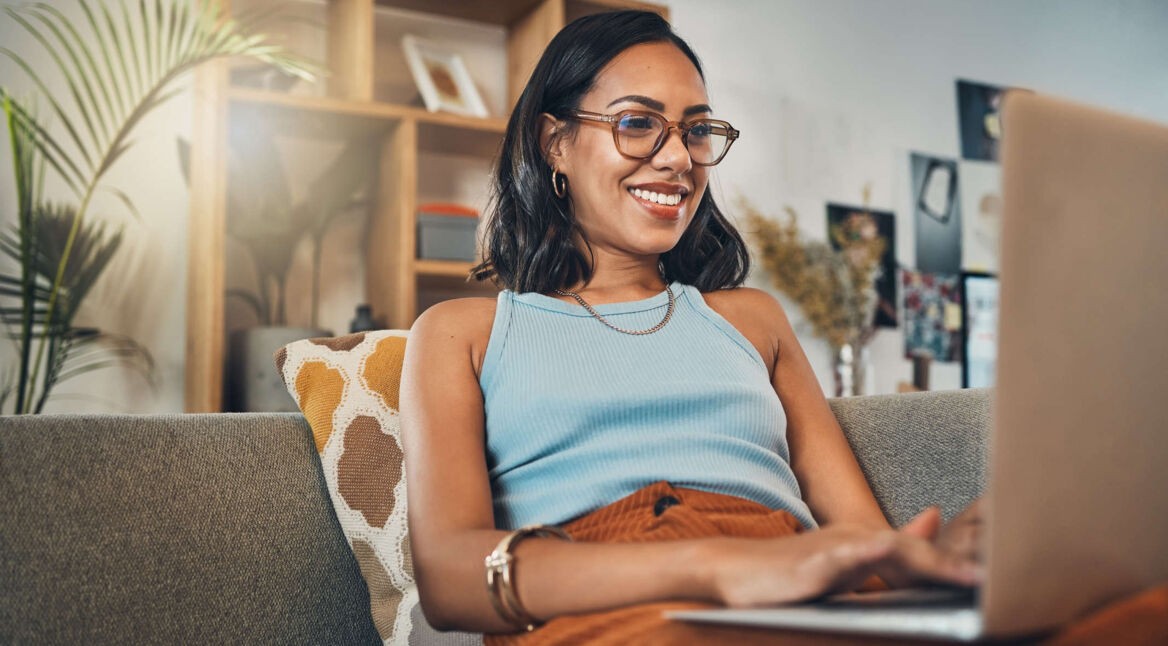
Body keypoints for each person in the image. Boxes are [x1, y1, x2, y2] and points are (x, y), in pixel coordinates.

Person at [400, 10, 981, 644]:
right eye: (638, 123)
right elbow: (451, 580)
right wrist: (713, 567)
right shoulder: (462, 335)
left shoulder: (751, 319)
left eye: (696, 130)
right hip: (604, 605)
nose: (679, 158)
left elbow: (865, 549)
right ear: (554, 143)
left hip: (793, 591)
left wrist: (942, 563)